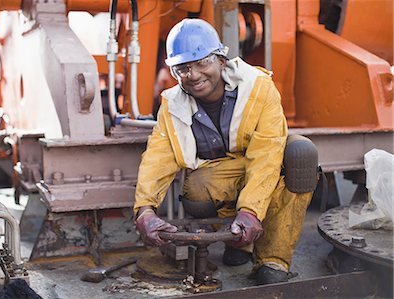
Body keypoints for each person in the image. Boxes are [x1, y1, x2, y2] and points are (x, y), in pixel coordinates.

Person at [133, 18, 316, 285]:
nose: (193, 75)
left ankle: (273, 258)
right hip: (222, 172)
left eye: (202, 63)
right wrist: (145, 210)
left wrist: (250, 210)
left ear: (221, 60)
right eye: (182, 68)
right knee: (196, 186)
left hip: (266, 164)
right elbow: (158, 157)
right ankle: (240, 242)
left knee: (301, 154)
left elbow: (265, 156)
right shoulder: (172, 104)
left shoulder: (259, 88)